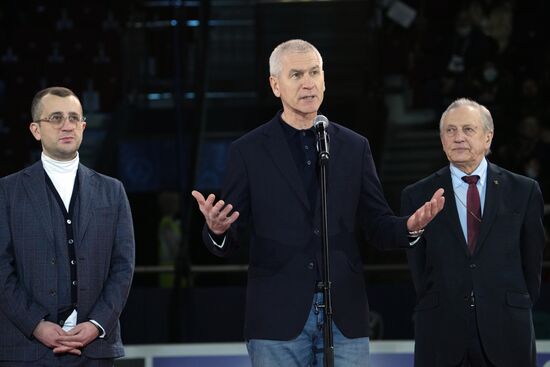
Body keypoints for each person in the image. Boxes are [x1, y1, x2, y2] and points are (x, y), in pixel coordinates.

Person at [191, 39, 444, 366]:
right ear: (275, 85)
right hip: (276, 318)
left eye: (315, 72)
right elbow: (229, 239)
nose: (308, 82)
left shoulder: (354, 147)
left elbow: (377, 225)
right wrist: (217, 230)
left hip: (345, 315)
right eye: (296, 75)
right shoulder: (249, 150)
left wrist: (409, 227)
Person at [401, 98, 545, 367]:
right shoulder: (417, 195)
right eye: (450, 131)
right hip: (442, 330)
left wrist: (509, 302)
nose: (458, 138)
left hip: (507, 330)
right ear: (442, 140)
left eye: (468, 130)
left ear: (487, 138)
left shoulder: (523, 191)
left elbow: (532, 265)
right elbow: (418, 269)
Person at [0, 86, 135, 366]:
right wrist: (36, 324)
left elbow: (123, 267)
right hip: (28, 350)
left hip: (95, 349)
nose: (67, 125)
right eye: (56, 118)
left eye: (74, 118)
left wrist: (97, 323)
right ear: (36, 130)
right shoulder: (7, 192)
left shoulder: (112, 191)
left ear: (84, 127)